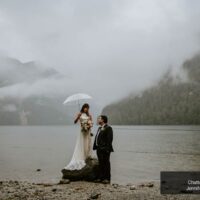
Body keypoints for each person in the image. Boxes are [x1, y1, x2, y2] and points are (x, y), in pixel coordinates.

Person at [64, 103, 93, 170]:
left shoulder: (89, 115)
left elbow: (91, 123)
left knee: (87, 143)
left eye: (88, 108)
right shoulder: (79, 114)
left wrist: (89, 126)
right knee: (82, 144)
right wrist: (78, 117)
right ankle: (81, 157)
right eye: (85, 107)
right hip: (82, 131)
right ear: (83, 108)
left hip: (88, 131)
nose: (86, 109)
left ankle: (87, 156)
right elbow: (75, 122)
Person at [93, 115, 114, 184]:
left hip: (105, 149)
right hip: (99, 148)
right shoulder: (99, 128)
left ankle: (107, 178)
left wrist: (106, 148)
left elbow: (109, 139)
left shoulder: (108, 128)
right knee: (100, 163)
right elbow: (98, 138)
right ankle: (100, 178)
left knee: (106, 163)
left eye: (99, 118)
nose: (98, 120)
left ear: (103, 120)